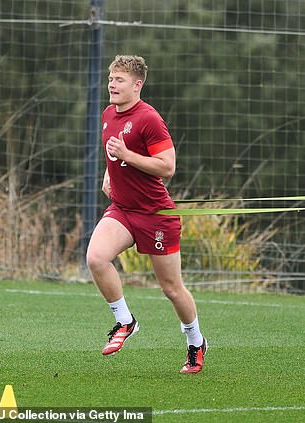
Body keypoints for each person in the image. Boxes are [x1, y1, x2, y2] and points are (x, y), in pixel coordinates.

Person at [86, 55, 207, 374]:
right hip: (123, 210)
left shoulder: (149, 118)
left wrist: (128, 155)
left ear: (137, 85)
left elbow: (167, 167)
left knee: (171, 288)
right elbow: (113, 152)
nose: (112, 84)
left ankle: (195, 342)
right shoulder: (108, 114)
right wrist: (109, 173)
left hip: (156, 215)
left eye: (120, 80)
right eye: (111, 78)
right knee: (96, 258)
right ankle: (125, 321)